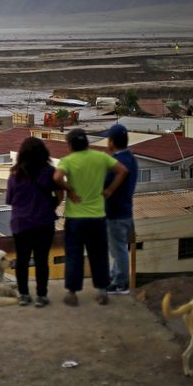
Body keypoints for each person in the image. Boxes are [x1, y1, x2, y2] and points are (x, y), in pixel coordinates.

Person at [53, 128, 128, 307]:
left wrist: (69, 189)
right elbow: (122, 171)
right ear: (86, 142)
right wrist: (109, 190)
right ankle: (102, 291)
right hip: (97, 217)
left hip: (75, 217)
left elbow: (56, 177)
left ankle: (72, 293)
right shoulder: (100, 157)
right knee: (98, 254)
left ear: (70, 145)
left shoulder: (68, 161)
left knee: (74, 254)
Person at [6, 137, 62, 307]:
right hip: (44, 223)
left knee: (22, 260)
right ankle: (41, 296)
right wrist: (52, 204)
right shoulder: (50, 172)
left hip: (21, 224)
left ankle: (24, 295)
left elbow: (9, 200)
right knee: (41, 260)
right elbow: (60, 195)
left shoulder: (15, 175)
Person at [104, 124, 138, 295]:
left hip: (115, 211)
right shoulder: (131, 158)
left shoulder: (117, 163)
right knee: (119, 247)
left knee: (118, 249)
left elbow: (105, 185)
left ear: (111, 142)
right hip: (126, 209)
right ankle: (114, 277)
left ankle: (121, 283)